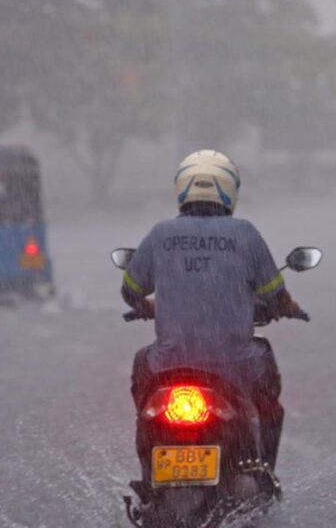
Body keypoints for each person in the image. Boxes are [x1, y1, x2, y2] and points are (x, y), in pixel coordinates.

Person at [120, 149, 306, 470]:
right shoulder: (245, 234)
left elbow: (130, 290)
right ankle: (264, 468)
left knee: (141, 371)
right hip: (233, 365)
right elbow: (275, 295)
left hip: (170, 364)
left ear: (182, 189)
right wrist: (289, 307)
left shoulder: (161, 233)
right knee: (268, 398)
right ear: (229, 189)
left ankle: (149, 467)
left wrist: (145, 306)